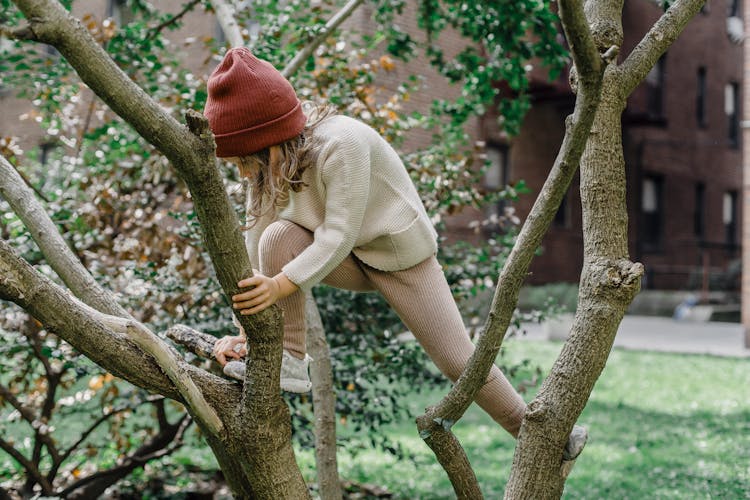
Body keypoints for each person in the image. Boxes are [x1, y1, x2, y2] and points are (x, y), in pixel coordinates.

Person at [205, 47, 586, 459]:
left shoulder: (341, 142)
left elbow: (339, 233)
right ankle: (290, 360)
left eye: (246, 159)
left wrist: (280, 285)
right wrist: (246, 334)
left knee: (458, 361)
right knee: (275, 237)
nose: (243, 172)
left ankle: (548, 439)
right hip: (342, 261)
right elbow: (253, 248)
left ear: (270, 139)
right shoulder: (266, 166)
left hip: (400, 258)